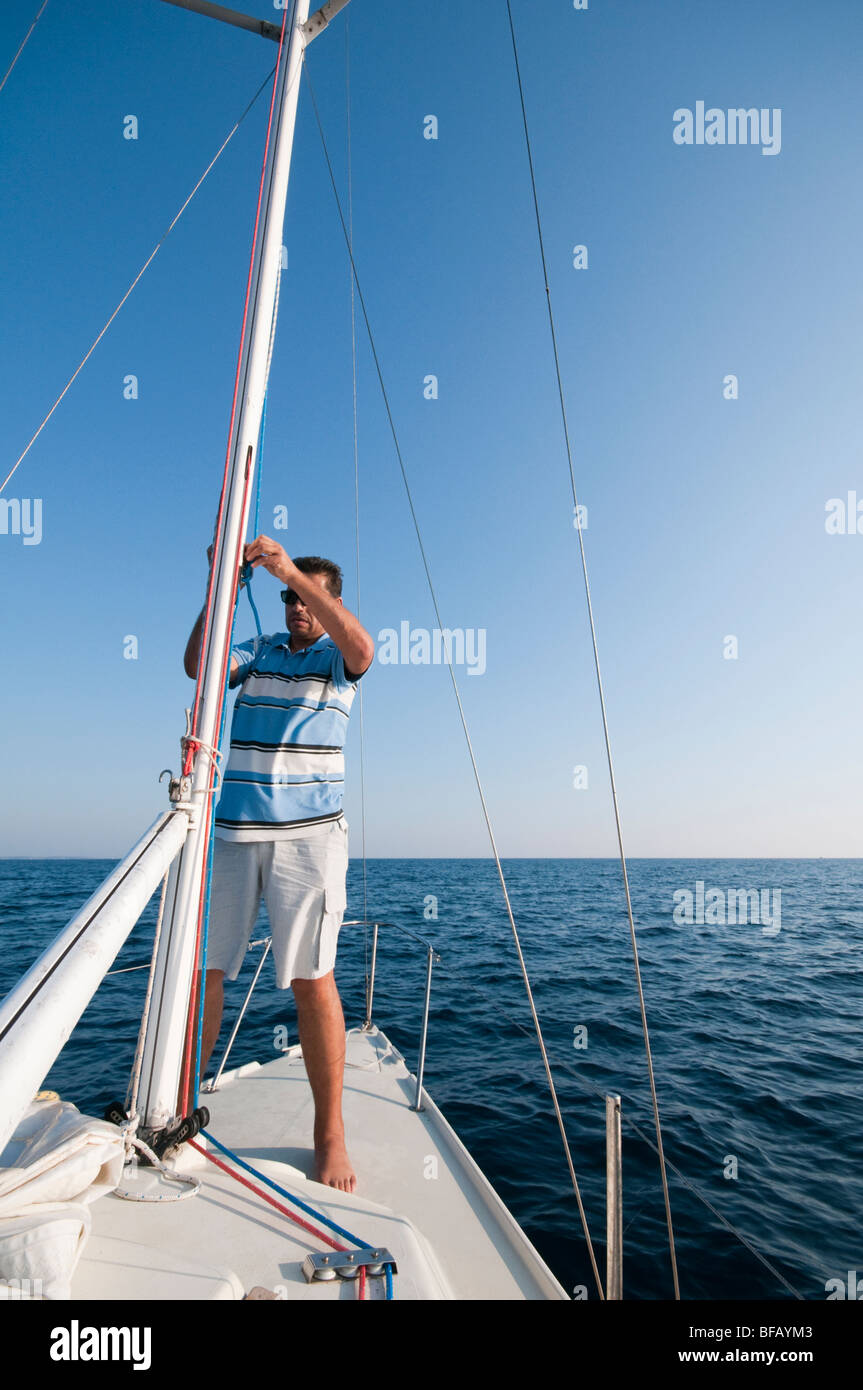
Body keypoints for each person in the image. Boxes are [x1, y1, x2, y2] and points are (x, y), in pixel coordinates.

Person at [184, 534, 374, 1193]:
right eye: (288, 596)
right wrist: (225, 586)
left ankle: (329, 1133)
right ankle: (179, 1106)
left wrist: (293, 567)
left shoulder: (334, 659)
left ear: (329, 600)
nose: (296, 604)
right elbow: (197, 666)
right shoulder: (257, 651)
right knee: (207, 970)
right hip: (234, 835)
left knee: (310, 978)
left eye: (308, 595)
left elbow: (364, 651)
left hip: (310, 838)